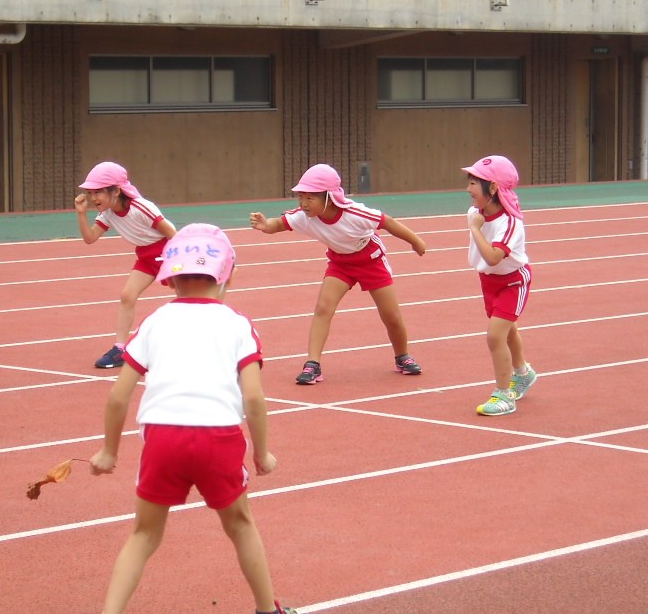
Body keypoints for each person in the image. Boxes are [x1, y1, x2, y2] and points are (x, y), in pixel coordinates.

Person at [89, 224, 295, 614]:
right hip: (218, 437)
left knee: (144, 534)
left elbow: (119, 396)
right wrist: (262, 453)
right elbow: (253, 396)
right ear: (229, 274)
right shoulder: (237, 324)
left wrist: (108, 451)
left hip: (163, 438)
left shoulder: (153, 322)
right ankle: (268, 610)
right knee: (240, 525)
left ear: (167, 279)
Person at [249, 163, 426, 385]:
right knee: (323, 308)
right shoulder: (305, 216)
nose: (303, 203)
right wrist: (266, 225)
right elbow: (279, 224)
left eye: (310, 198)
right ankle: (312, 364)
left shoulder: (355, 213)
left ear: (329, 197)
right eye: (300, 197)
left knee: (391, 316)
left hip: (370, 261)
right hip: (340, 263)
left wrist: (415, 241)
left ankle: (402, 357)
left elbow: (388, 222)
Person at [75, 162, 176, 369]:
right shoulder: (108, 213)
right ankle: (120, 350)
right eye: (90, 193)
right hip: (146, 255)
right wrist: (81, 214)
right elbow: (90, 238)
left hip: (168, 252)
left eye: (98, 192)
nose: (93, 198)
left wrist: (179, 260)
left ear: (116, 191)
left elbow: (171, 231)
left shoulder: (141, 207)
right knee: (127, 296)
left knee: (187, 300)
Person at [462, 155, 536, 416]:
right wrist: (476, 225)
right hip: (489, 281)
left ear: (492, 188)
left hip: (512, 282)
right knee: (509, 330)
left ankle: (504, 395)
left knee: (495, 336)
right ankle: (523, 373)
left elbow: (494, 256)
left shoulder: (510, 222)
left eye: (474, 183)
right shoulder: (476, 213)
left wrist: (475, 230)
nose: (468, 189)